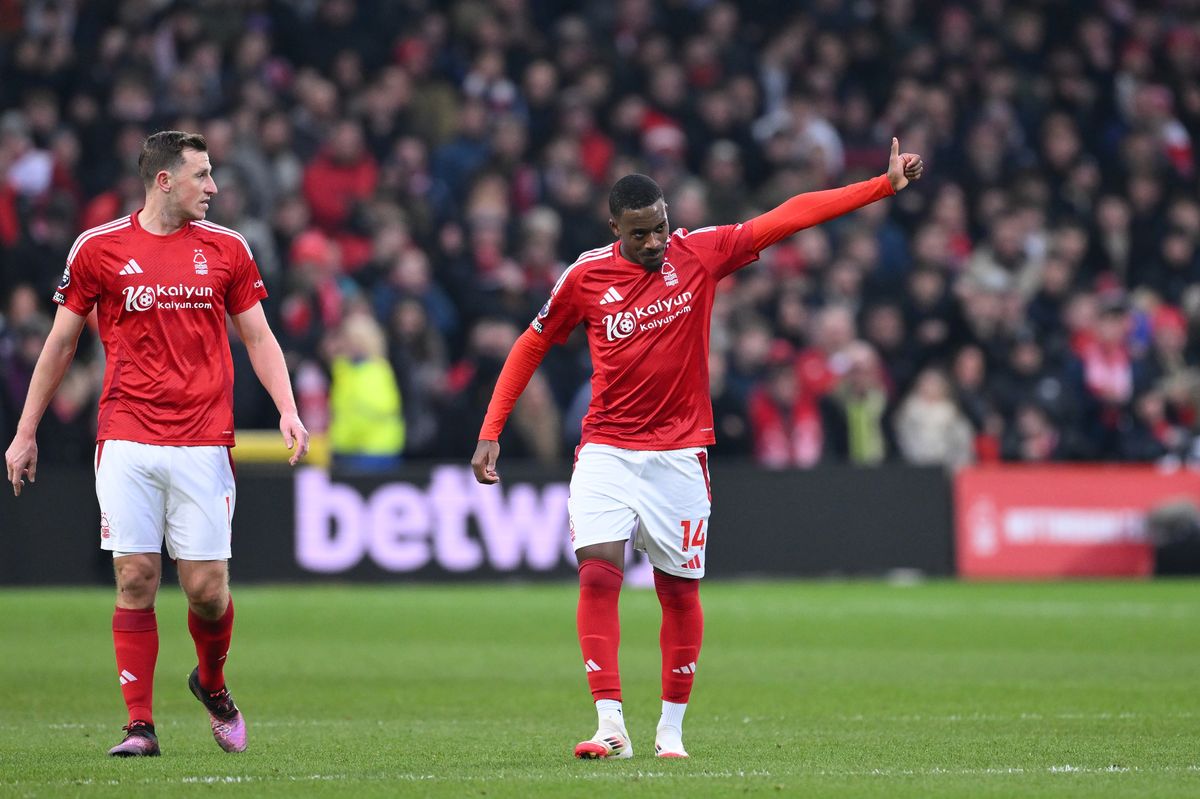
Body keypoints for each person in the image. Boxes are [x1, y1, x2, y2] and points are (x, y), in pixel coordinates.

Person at [471, 139, 923, 760]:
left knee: (678, 593)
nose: (655, 242)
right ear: (614, 229)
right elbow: (531, 344)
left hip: (682, 455)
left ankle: (670, 733)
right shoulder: (585, 275)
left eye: (659, 228)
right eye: (640, 234)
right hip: (606, 447)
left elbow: (788, 215)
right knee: (598, 573)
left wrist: (881, 185)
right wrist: (491, 429)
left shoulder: (698, 253)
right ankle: (611, 725)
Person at [4, 131, 309, 757]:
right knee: (135, 576)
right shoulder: (99, 248)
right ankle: (139, 725)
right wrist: (26, 428)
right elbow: (61, 344)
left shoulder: (227, 249)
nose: (214, 187)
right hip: (126, 433)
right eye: (202, 175)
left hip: (202, 438)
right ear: (164, 180)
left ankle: (213, 685)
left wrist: (287, 408)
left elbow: (258, 337)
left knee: (205, 589)